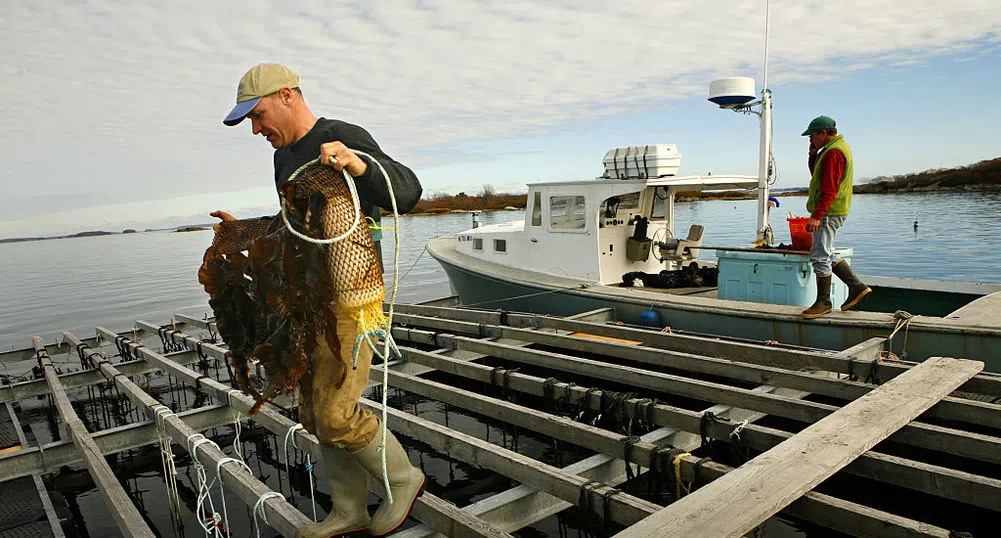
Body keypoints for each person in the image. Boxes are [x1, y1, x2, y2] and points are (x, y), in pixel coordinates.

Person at [216, 63, 425, 537]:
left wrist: (358, 164)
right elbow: (294, 223)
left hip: (351, 299)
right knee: (313, 410)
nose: (255, 129)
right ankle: (349, 510)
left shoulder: (341, 135)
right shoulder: (282, 158)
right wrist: (243, 232)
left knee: (335, 414)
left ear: (288, 96)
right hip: (308, 302)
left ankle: (405, 478)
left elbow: (408, 192)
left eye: (259, 114)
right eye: (248, 120)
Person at [800, 115, 871, 319]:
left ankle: (823, 302)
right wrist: (813, 155)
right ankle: (856, 286)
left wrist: (816, 216)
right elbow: (818, 176)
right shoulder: (830, 151)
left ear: (823, 133)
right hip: (832, 211)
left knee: (819, 256)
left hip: (829, 212)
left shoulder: (834, 153)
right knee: (826, 252)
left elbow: (829, 189)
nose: (810, 140)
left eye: (812, 136)